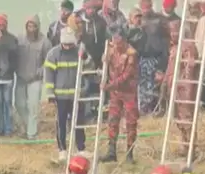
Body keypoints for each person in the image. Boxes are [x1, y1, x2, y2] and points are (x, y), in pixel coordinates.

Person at [45, 27, 93, 162]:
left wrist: (86, 58)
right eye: (65, 44)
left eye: (70, 44)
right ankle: (62, 149)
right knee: (61, 123)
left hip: (77, 94)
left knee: (78, 122)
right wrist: (50, 93)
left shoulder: (79, 51)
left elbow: (89, 67)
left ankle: (81, 148)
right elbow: (48, 75)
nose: (67, 47)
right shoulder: (53, 54)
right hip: (60, 97)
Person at [158, 19, 199, 156]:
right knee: (178, 119)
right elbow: (170, 68)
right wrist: (165, 83)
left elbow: (189, 70)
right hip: (173, 88)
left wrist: (185, 89)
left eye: (176, 31)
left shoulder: (188, 47)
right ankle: (184, 145)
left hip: (184, 89)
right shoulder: (174, 48)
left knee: (187, 118)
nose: (173, 34)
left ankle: (191, 148)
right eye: (172, 32)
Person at [101, 25, 139, 163]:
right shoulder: (110, 50)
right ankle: (111, 152)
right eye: (114, 39)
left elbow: (126, 76)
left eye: (118, 40)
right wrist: (104, 59)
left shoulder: (131, 53)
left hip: (128, 92)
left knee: (130, 122)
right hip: (115, 93)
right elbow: (106, 65)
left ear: (124, 39)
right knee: (112, 120)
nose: (116, 43)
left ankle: (129, 154)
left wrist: (109, 86)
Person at [16, 15, 52, 140]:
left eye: (33, 26)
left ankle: (31, 133)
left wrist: (40, 71)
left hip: (35, 79)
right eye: (29, 26)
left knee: (33, 107)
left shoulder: (45, 42)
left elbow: (48, 61)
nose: (31, 29)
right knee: (19, 104)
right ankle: (28, 125)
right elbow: (13, 55)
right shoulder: (20, 39)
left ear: (38, 27)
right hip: (20, 78)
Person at [138, 0, 169, 114]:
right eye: (143, 7)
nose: (145, 9)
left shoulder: (160, 19)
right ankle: (144, 109)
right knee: (143, 84)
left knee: (155, 84)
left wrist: (163, 63)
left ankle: (156, 108)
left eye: (147, 6)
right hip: (142, 57)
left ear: (151, 6)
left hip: (156, 57)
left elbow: (166, 42)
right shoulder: (137, 19)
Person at [0, 14, 19, 136]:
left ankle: (8, 128)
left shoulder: (12, 39)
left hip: (8, 76)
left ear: (6, 25)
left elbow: (15, 56)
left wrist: (2, 42)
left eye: (2, 25)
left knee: (7, 102)